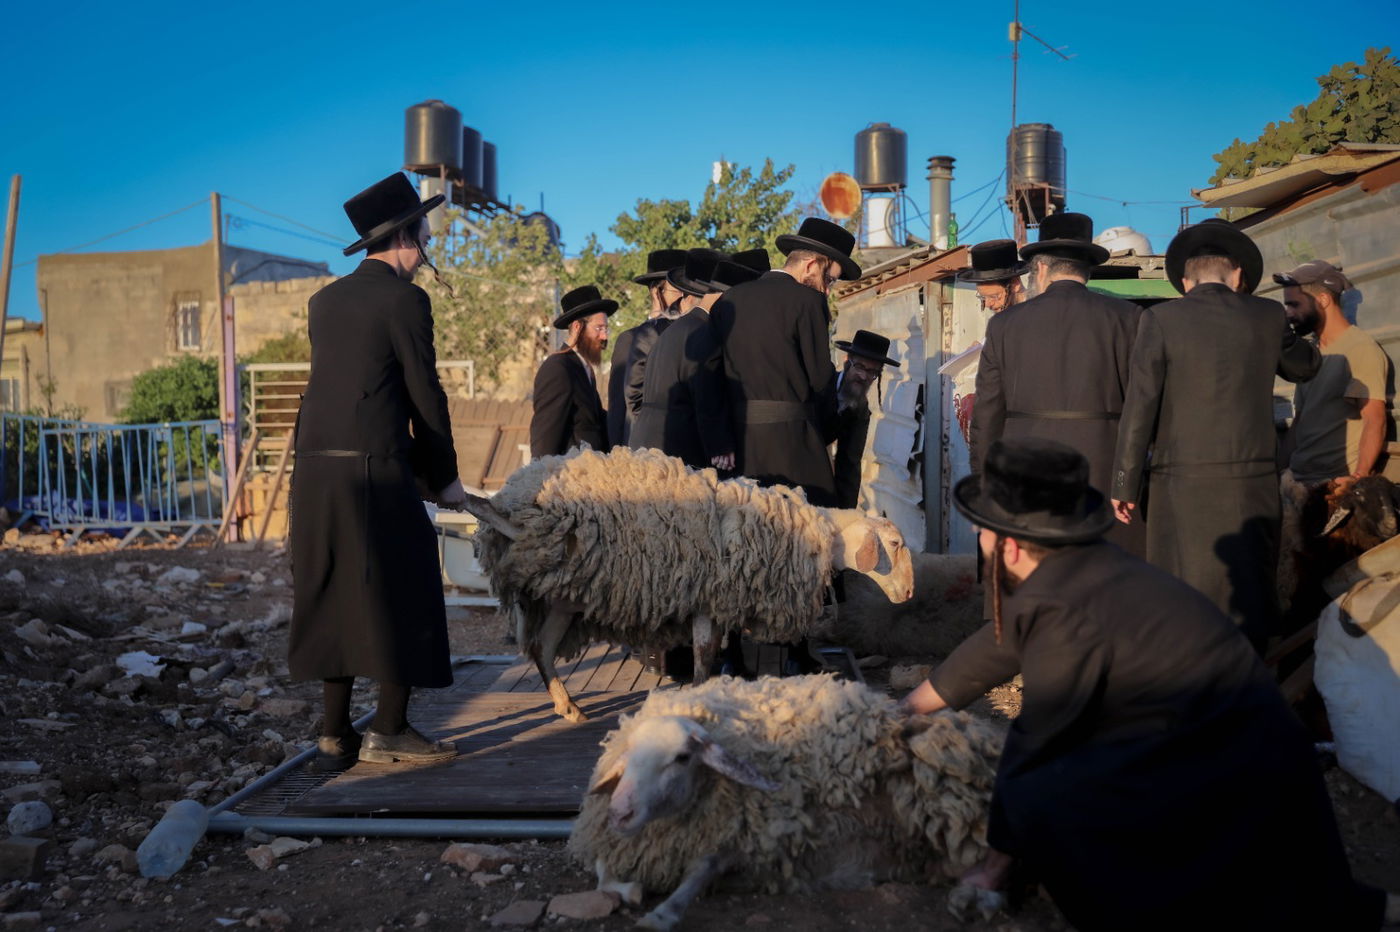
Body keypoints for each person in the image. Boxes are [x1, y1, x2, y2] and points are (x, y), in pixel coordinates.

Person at [901, 437, 1392, 932]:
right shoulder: (1079, 568)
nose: (972, 530)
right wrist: (910, 709)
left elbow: (1037, 746)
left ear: (1008, 543)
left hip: (1237, 798)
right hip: (1253, 770)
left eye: (981, 527)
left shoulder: (1061, 608)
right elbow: (999, 645)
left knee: (1067, 833)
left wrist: (993, 869)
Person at [289, 172, 464, 769]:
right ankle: (390, 728)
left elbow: (353, 389)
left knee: (333, 588)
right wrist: (444, 476)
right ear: (409, 237)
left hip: (314, 471)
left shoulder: (324, 300)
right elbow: (424, 395)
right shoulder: (405, 299)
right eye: (425, 236)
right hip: (374, 470)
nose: (425, 252)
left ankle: (334, 733)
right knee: (409, 587)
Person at [1112, 220, 1320, 650]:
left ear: (1186, 282)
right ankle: (1251, 686)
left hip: (1179, 486)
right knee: (1251, 591)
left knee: (1182, 594)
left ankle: (1186, 685)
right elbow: (1305, 367)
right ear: (1239, 277)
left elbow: (1140, 407)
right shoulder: (1267, 315)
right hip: (1253, 483)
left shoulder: (1159, 319)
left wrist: (1124, 483)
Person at [968, 213, 1143, 554]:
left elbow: (987, 415)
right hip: (1103, 474)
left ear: (1042, 270)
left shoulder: (1004, 326)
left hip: (1027, 477)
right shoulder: (1129, 317)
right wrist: (1128, 481)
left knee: (1035, 579)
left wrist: (985, 484)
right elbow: (1143, 405)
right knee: (1104, 579)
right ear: (1087, 269)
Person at [712, 217, 860, 507]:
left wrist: (721, 438)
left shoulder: (730, 298)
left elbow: (711, 377)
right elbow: (820, 380)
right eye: (829, 279)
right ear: (811, 265)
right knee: (813, 533)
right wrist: (828, 431)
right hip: (793, 447)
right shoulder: (808, 302)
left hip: (739, 446)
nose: (827, 290)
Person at [631, 250, 754, 469]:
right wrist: (720, 445)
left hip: (647, 442)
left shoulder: (677, 327)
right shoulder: (705, 332)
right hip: (676, 447)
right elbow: (707, 391)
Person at [1279, 260, 1391, 485]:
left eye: (1294, 305)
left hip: (1332, 485)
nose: (1288, 314)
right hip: (1299, 481)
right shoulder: (1310, 354)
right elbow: (1300, 423)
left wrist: (1356, 480)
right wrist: (1277, 472)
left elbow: (1374, 420)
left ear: (1323, 300)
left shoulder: (1360, 349)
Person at [607, 249, 686, 448]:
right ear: (656, 291)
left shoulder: (689, 332)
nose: (683, 297)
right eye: (677, 289)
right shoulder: (630, 338)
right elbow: (619, 406)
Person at [530, 285, 616, 458]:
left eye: (606, 329)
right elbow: (544, 439)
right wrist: (542, 480)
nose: (604, 336)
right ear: (577, 327)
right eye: (599, 328)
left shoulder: (583, 368)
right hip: (567, 477)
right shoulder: (558, 368)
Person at [830, 330, 899, 509]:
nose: (864, 376)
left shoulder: (861, 411)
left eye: (872, 372)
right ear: (847, 361)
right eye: (859, 367)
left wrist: (847, 517)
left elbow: (849, 465)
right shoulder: (821, 384)